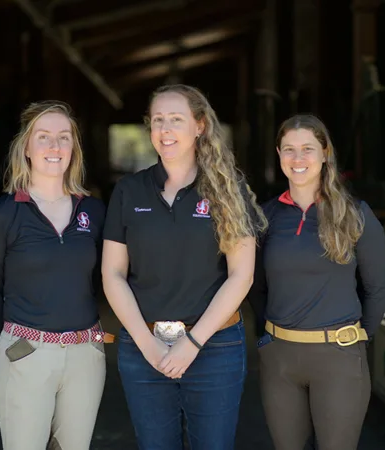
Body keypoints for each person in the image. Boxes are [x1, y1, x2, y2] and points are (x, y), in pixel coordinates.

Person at [101, 84, 265, 450]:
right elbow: (112, 274)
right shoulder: (129, 191)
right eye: (158, 120)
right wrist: (147, 345)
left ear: (200, 126)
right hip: (144, 346)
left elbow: (242, 275)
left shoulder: (227, 189)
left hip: (214, 347)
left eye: (176, 119)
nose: (166, 129)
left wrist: (192, 343)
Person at [249, 114, 385, 450]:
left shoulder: (355, 214)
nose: (298, 159)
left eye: (307, 149)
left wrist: (358, 340)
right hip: (279, 358)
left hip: (338, 358)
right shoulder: (265, 217)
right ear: (279, 154)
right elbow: (255, 287)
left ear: (325, 153)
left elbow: (377, 288)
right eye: (289, 149)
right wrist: (269, 338)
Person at [0, 100, 108, 450]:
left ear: (73, 149)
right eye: (44, 137)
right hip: (26, 351)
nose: (54, 146)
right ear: (27, 149)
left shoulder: (93, 211)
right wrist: (16, 343)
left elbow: (100, 281)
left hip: (85, 357)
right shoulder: (3, 214)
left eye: (64, 138)